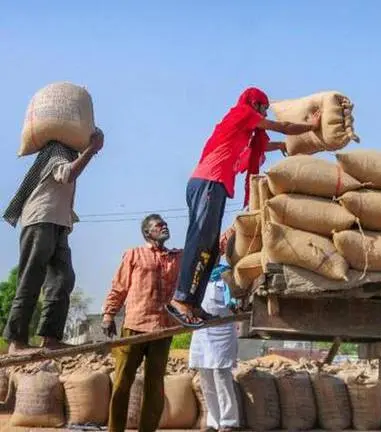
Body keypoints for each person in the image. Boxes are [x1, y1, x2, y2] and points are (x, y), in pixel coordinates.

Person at [167, 87, 322, 328]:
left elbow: (254, 150)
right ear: (255, 104)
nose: (264, 113)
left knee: (210, 247)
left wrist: (281, 146)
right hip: (208, 181)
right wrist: (312, 126)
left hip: (216, 185)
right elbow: (283, 127)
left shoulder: (245, 129)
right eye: (263, 108)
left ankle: (194, 303)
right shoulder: (242, 113)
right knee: (199, 241)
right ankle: (181, 299)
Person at [2, 130, 104, 354]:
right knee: (31, 277)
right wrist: (90, 151)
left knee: (63, 279)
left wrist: (87, 152)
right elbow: (66, 175)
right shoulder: (56, 149)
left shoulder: (69, 152)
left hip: (58, 223)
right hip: (40, 219)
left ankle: (50, 338)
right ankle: (16, 342)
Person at [101, 214, 182, 432]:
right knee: (122, 383)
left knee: (155, 385)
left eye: (165, 224)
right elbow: (119, 286)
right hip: (135, 326)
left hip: (163, 329)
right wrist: (109, 314)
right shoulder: (134, 254)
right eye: (159, 225)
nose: (164, 227)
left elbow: (205, 251)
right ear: (147, 232)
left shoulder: (177, 257)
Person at [189, 264, 240, 432]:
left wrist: (234, 301)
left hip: (223, 330)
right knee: (205, 376)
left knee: (221, 374)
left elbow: (237, 299)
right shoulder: (198, 276)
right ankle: (213, 421)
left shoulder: (227, 274)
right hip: (202, 331)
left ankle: (229, 421)